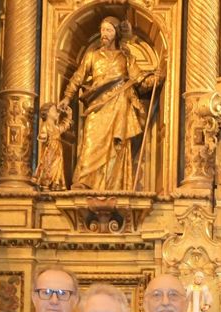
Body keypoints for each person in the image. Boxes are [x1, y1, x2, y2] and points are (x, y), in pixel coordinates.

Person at [63, 16, 163, 191]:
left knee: (116, 147)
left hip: (119, 105)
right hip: (98, 105)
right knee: (91, 141)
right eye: (102, 30)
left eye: (108, 30)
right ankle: (85, 180)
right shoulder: (92, 56)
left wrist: (155, 79)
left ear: (116, 33)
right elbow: (77, 78)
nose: (104, 34)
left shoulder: (125, 58)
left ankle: (114, 185)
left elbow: (139, 79)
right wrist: (66, 96)